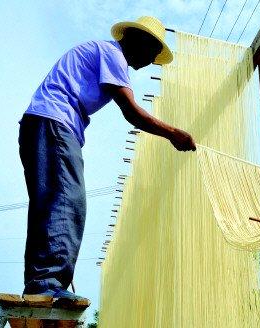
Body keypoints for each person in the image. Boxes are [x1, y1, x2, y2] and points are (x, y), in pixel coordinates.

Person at [19, 16, 195, 302]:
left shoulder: (102, 52)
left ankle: (43, 281)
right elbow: (132, 112)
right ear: (138, 41)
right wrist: (175, 134)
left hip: (41, 124)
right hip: (54, 123)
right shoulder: (113, 54)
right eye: (152, 53)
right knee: (67, 200)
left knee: (50, 203)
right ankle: (47, 282)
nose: (151, 61)